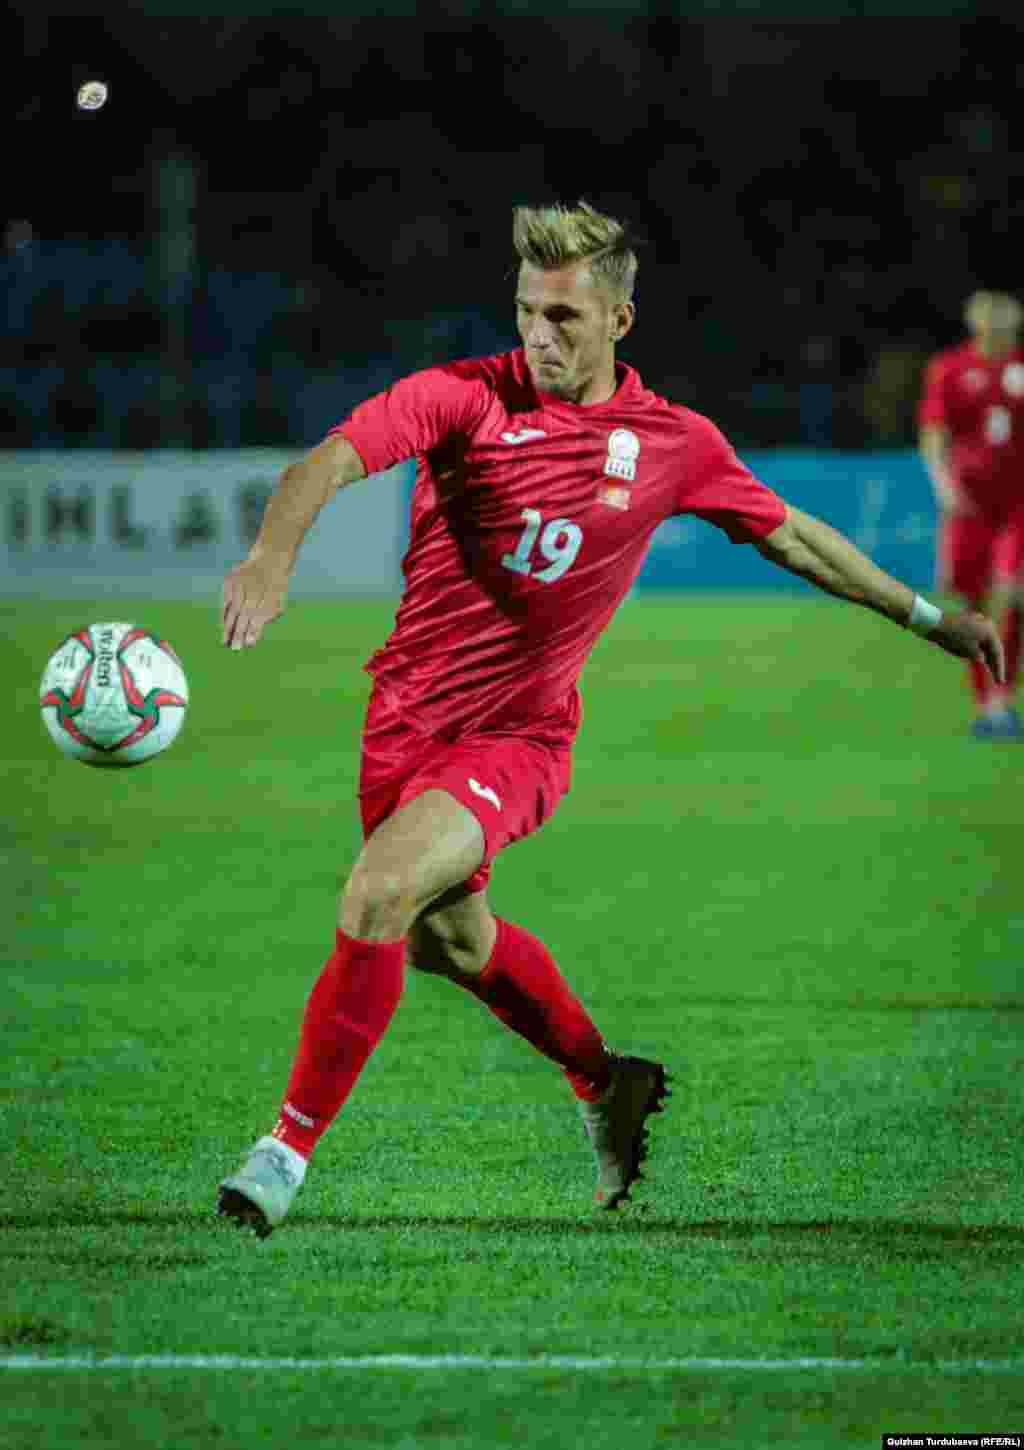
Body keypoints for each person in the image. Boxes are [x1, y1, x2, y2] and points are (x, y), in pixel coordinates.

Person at [218, 200, 1004, 1238]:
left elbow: (794, 537)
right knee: (451, 941)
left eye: (563, 317)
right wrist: (270, 558)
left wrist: (928, 619)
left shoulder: (672, 443)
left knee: (378, 893)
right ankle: (604, 1081)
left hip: (518, 737)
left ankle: (282, 1155)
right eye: (525, 312)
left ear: (619, 322)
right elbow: (322, 464)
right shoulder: (463, 397)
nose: (537, 336)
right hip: (403, 724)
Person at [918, 290, 1024, 739]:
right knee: (977, 604)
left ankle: (1000, 700)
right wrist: (943, 485)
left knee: (1010, 591)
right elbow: (934, 432)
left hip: (1019, 502)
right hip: (970, 504)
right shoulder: (950, 368)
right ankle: (989, 705)